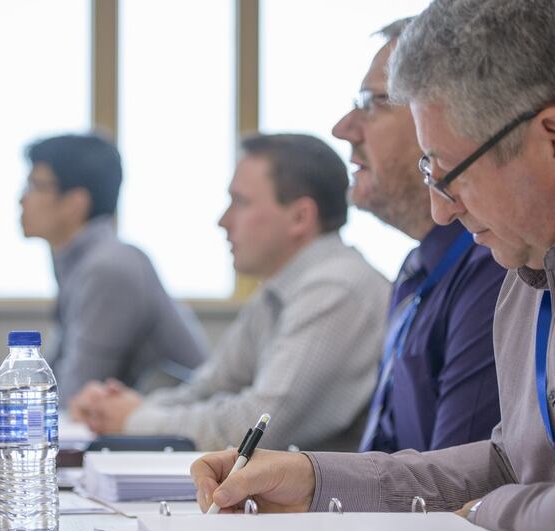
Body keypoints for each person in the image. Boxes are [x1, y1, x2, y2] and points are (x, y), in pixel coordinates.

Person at [191, 1, 555, 531]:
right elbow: (516, 462)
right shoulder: (539, 245)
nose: (441, 212)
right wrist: (313, 480)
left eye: (447, 175)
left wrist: (477, 515)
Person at [71, 134, 389, 451]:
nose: (223, 221)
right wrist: (117, 410)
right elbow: (209, 389)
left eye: (240, 202)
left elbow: (252, 428)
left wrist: (133, 420)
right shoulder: (281, 288)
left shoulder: (336, 289)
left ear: (300, 217)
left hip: (338, 501)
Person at [332, 17, 504, 454]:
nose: (343, 128)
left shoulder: (495, 262)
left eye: (371, 103)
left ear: (438, 118)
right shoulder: (417, 269)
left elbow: (453, 488)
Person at [0, 133, 209, 405]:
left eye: (36, 185)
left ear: (75, 202)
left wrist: (5, 396)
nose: (22, 198)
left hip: (179, 437)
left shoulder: (108, 268)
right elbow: (62, 373)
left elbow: (76, 392)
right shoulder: (82, 262)